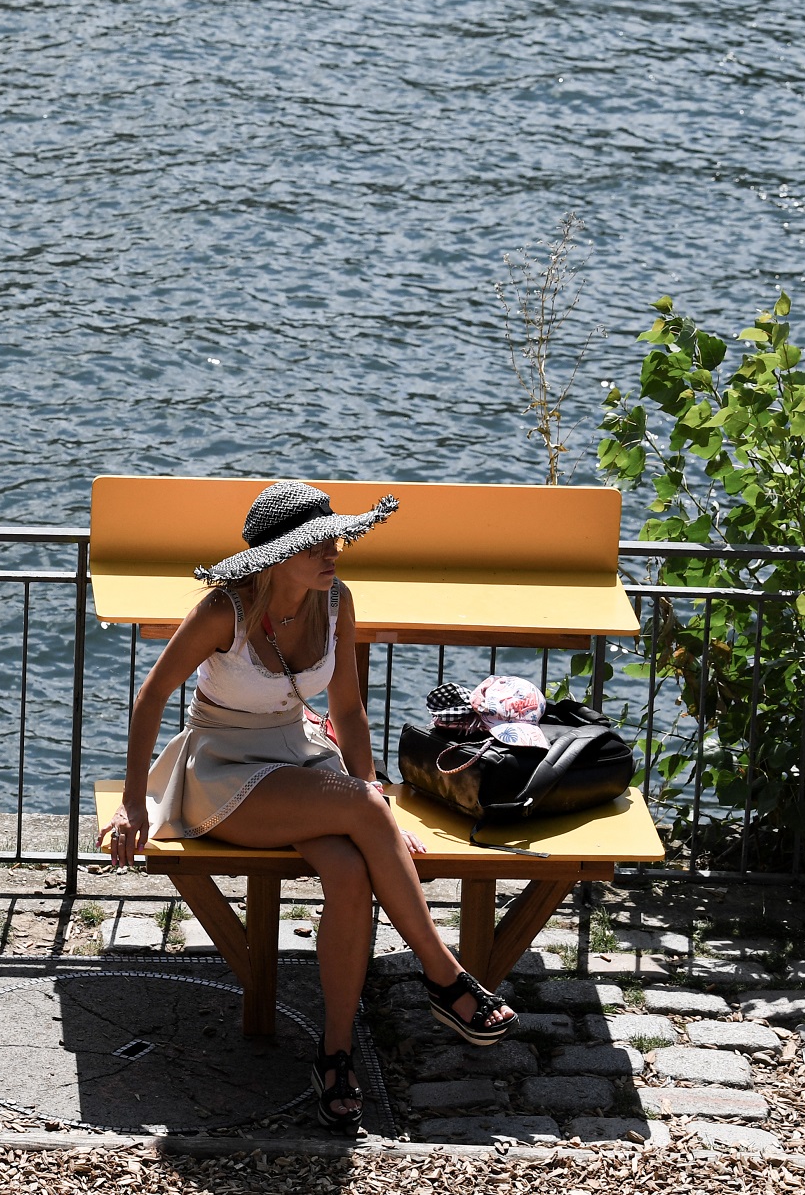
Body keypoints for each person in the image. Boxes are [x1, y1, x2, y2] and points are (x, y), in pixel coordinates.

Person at [98, 481, 518, 1133]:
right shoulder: (224, 611)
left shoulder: (336, 600)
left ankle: (335, 1054)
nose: (334, 553)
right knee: (361, 808)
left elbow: (346, 711)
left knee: (352, 873)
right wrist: (132, 804)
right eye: (316, 545)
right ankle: (444, 975)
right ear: (275, 557)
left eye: (336, 539)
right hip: (224, 771)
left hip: (300, 758)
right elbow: (150, 698)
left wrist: (372, 803)